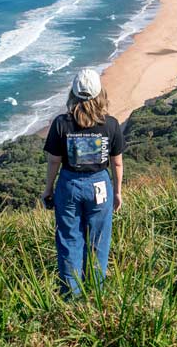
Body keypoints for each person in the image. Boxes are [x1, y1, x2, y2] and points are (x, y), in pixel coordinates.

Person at [41, 68, 125, 297]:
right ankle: (97, 294)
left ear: (73, 93)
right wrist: (117, 192)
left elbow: (53, 161)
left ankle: (71, 296)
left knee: (69, 241)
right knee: (99, 241)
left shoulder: (61, 124)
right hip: (100, 185)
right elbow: (117, 164)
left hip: (69, 184)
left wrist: (48, 189)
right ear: (100, 94)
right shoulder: (111, 124)